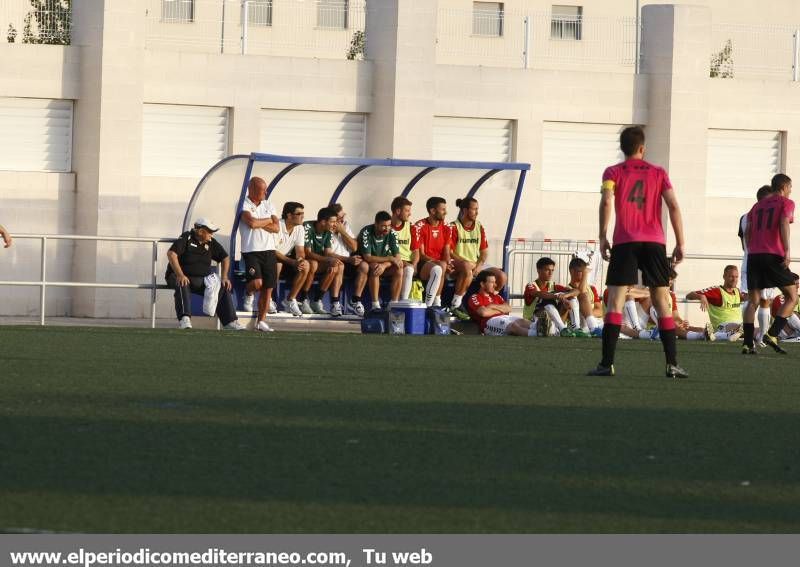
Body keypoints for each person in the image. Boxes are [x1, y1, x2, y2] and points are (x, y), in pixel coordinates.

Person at [589, 126, 688, 378]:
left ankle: (606, 364)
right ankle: (672, 364)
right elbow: (674, 205)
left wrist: (602, 235)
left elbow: (607, 200)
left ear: (622, 148)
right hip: (655, 242)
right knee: (662, 302)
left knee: (615, 302)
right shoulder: (659, 172)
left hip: (625, 242)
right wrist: (680, 241)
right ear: (642, 148)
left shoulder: (612, 172)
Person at [741, 173, 798, 354]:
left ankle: (748, 343)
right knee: (792, 296)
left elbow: (748, 231)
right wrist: (787, 250)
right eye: (790, 188)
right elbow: (783, 223)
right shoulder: (786, 203)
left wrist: (751, 250)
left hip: (754, 256)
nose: (790, 191)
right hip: (772, 254)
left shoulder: (756, 206)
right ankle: (772, 334)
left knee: (753, 301)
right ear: (784, 187)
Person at [165, 218, 245, 330]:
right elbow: (171, 254)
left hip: (201, 279)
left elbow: (225, 258)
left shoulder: (211, 242)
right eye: (210, 232)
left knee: (223, 286)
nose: (212, 235)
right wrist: (180, 274)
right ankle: (185, 319)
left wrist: (225, 277)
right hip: (178, 276)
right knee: (183, 283)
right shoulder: (187, 237)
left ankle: (230, 322)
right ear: (201, 231)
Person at [449, 197, 507, 316]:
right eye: (474, 209)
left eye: (477, 209)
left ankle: (491, 300)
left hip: (475, 263)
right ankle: (456, 303)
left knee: (502, 276)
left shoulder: (479, 226)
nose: (477, 212)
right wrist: (467, 263)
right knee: (467, 268)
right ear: (465, 210)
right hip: (458, 262)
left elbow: (484, 252)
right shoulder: (454, 226)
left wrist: (479, 265)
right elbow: (449, 252)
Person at [240, 177, 279, 332]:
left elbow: (276, 228)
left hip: (269, 251)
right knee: (257, 284)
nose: (266, 192)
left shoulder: (269, 204)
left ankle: (261, 321)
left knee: (268, 287)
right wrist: (268, 220)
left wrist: (261, 222)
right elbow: (251, 223)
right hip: (251, 251)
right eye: (263, 190)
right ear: (253, 189)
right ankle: (248, 293)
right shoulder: (243, 203)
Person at [739, 185, 777, 343]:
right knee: (764, 300)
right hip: (767, 261)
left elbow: (743, 244)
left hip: (749, 261)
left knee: (750, 300)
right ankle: (761, 337)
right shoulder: (771, 215)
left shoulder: (744, 217)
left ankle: (749, 339)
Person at [350, 211, 404, 314]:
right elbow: (368, 257)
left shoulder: (392, 233)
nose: (387, 228)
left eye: (389, 225)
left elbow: (397, 259)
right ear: (376, 224)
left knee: (399, 269)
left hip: (385, 265)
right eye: (383, 226)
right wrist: (389, 259)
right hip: (367, 263)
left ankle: (393, 304)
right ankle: (375, 305)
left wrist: (385, 264)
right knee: (376, 267)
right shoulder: (366, 232)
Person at [467, 271, 539, 337]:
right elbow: (483, 313)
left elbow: (508, 308)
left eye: (495, 282)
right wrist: (501, 310)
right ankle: (536, 334)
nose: (495, 285)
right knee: (513, 326)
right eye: (492, 282)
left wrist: (492, 306)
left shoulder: (496, 296)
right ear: (482, 284)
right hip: (488, 322)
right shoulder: (475, 297)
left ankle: (541, 328)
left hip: (503, 317)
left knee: (522, 321)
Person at [685, 266, 746, 341]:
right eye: (731, 276)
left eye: (736, 277)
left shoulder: (737, 291)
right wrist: (701, 296)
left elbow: (749, 298)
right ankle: (728, 334)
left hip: (740, 326)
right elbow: (689, 295)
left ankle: (726, 335)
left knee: (756, 329)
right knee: (745, 328)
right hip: (722, 326)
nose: (734, 279)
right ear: (724, 277)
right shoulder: (716, 291)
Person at [304, 207, 344, 316]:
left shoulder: (328, 232)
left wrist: (342, 260)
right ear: (322, 222)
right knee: (313, 263)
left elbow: (328, 253)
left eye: (336, 222)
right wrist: (328, 259)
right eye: (332, 222)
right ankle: (303, 299)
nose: (335, 225)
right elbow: (307, 253)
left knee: (336, 266)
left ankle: (317, 301)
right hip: (300, 262)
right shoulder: (307, 227)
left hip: (316, 262)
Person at [412, 197, 452, 307]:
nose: (446, 212)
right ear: (433, 211)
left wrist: (448, 263)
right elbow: (422, 255)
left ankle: (446, 304)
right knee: (441, 266)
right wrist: (439, 262)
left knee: (445, 265)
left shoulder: (446, 226)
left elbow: (447, 252)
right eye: (443, 209)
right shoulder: (420, 226)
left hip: (440, 264)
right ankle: (434, 303)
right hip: (423, 264)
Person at [275, 201, 311, 317]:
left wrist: (300, 260)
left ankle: (290, 300)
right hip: (272, 258)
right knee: (277, 264)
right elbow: (272, 251)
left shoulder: (300, 228)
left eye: (303, 213)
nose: (303, 216)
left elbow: (300, 251)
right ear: (289, 216)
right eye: (299, 213)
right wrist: (292, 262)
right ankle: (269, 298)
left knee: (306, 265)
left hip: (287, 260)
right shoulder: (277, 226)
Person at [522, 257, 572, 337]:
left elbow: (576, 291)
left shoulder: (553, 285)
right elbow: (539, 293)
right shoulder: (531, 285)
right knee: (547, 301)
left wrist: (565, 296)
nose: (550, 273)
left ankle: (575, 327)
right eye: (547, 270)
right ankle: (562, 328)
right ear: (538, 270)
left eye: (552, 270)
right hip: (532, 322)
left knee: (570, 299)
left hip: (552, 321)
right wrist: (556, 296)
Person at [329, 203, 362, 315]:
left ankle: (355, 301)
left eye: (344, 216)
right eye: (340, 218)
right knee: (340, 265)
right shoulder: (327, 228)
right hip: (332, 261)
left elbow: (354, 247)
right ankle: (335, 303)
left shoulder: (345, 225)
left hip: (348, 260)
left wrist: (343, 232)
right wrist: (348, 260)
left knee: (364, 266)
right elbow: (328, 254)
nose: (343, 220)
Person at [390, 196, 418, 300]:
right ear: (397, 211)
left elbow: (416, 251)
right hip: (391, 262)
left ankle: (403, 301)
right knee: (405, 268)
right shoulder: (387, 227)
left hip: (407, 263)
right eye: (407, 210)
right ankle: (399, 301)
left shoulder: (411, 227)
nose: (409, 213)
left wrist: (414, 265)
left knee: (409, 269)